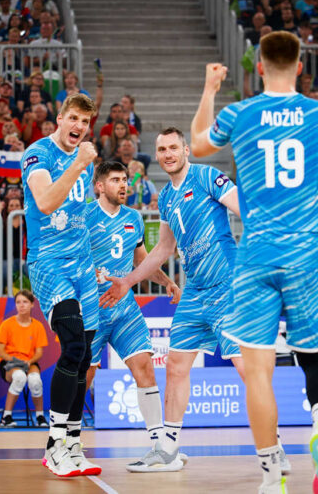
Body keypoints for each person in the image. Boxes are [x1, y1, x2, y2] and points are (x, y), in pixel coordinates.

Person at [189, 31, 318, 494]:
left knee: (258, 372)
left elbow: (197, 146)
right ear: (300, 67)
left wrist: (210, 90)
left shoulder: (240, 114)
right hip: (305, 258)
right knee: (317, 360)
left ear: (259, 67)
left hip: (255, 257)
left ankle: (271, 473)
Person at [101, 127, 292, 475]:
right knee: (175, 365)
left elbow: (245, 209)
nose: (168, 153)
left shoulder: (206, 177)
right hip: (195, 291)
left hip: (226, 287)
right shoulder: (166, 197)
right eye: (162, 149)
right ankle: (168, 450)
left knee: (246, 369)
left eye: (173, 147)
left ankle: (274, 446)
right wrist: (128, 280)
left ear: (186, 150)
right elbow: (163, 248)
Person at [21, 93, 100, 477]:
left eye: (85, 122)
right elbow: (46, 202)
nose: (79, 127)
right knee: (72, 346)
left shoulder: (86, 160)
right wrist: (79, 162)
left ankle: (72, 443)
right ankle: (54, 446)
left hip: (84, 266)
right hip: (50, 264)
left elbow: (82, 213)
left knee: (85, 358)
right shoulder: (38, 154)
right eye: (74, 119)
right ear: (60, 119)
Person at [84, 160, 181, 458]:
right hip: (92, 309)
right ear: (100, 186)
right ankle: (67, 438)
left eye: (125, 179)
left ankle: (159, 443)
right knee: (83, 376)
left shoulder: (134, 218)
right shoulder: (85, 216)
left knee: (145, 367)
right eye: (115, 180)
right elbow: (69, 257)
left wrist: (166, 281)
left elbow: (142, 261)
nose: (123, 184)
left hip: (125, 310)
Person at [0, 289, 49, 428]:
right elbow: (0, 351)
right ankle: (6, 417)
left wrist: (28, 362)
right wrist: (15, 361)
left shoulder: (38, 326)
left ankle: (40, 416)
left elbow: (39, 353)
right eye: (18, 302)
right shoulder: (7, 324)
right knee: (20, 377)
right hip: (9, 363)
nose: (21, 305)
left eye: (25, 302)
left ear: (32, 304)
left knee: (35, 381)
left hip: (29, 362)